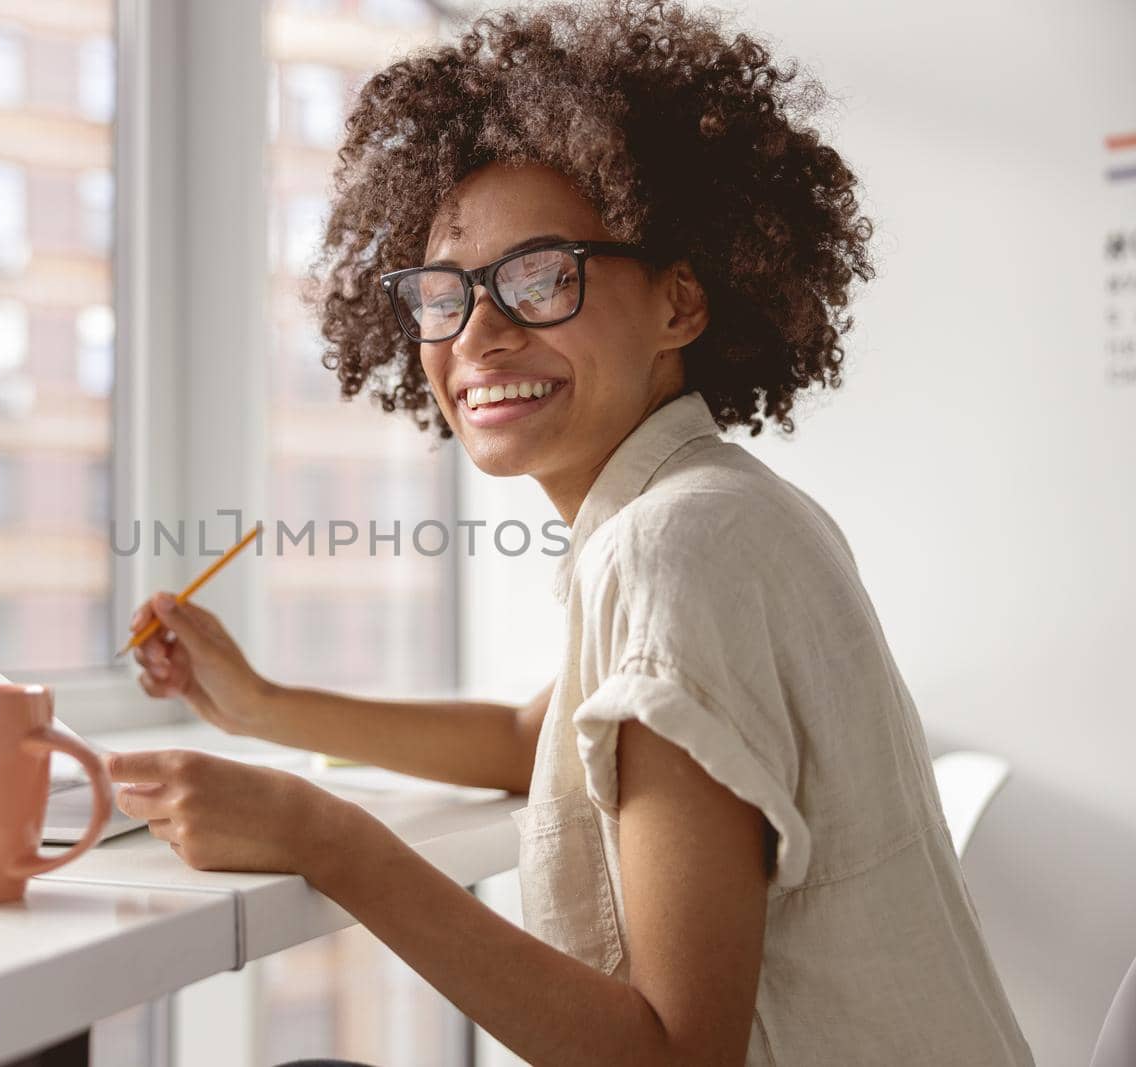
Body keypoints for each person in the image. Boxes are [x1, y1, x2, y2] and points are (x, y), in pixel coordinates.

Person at [107, 2, 1034, 1063]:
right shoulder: (711, 506)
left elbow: (675, 1054)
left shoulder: (676, 547)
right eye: (443, 292)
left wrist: (325, 837)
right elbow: (528, 743)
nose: (479, 332)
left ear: (680, 302)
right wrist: (262, 706)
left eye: (544, 275)